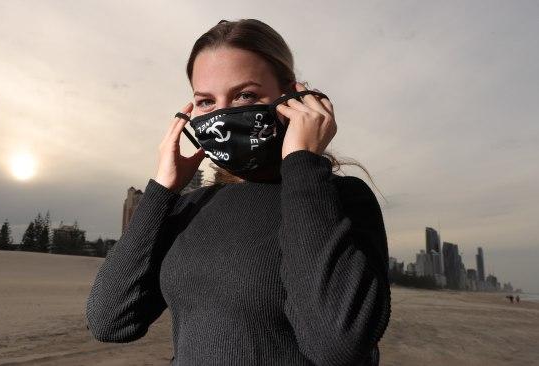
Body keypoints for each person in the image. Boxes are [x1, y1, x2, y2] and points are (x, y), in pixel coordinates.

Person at [86, 19, 391, 365]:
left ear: (292, 97)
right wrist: (162, 189)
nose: (223, 116)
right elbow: (110, 320)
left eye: (245, 95)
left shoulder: (340, 199)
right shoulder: (193, 207)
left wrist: (303, 164)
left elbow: (337, 344)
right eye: (205, 102)